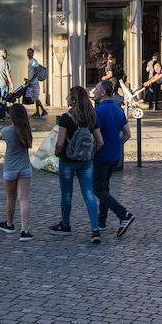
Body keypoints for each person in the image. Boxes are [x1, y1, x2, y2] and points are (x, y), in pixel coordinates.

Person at [49, 85, 104, 243]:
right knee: (88, 193)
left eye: (68, 96)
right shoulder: (90, 117)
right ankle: (95, 229)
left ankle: (65, 224)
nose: (67, 99)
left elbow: (60, 143)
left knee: (66, 193)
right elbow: (100, 141)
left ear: (73, 100)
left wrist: (57, 152)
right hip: (86, 161)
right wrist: (91, 153)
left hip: (67, 160)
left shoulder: (66, 118)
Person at [92, 80, 135, 236]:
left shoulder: (98, 111)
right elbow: (127, 134)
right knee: (105, 187)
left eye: (96, 89)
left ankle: (123, 214)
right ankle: (102, 220)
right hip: (114, 156)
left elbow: (96, 139)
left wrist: (93, 153)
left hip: (102, 156)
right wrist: (117, 145)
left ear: (103, 92)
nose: (94, 91)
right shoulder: (118, 110)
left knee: (97, 189)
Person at [0, 104, 34, 241]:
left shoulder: (6, 130)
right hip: (25, 167)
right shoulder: (27, 130)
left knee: (10, 198)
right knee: (24, 198)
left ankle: (10, 224)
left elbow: (2, 136)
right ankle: (25, 231)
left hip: (10, 168)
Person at [0, 48, 14, 122]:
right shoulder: (5, 62)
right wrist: (11, 83)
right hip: (3, 83)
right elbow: (8, 74)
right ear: (4, 55)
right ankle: (2, 116)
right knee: (4, 100)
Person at [25, 47, 47, 118]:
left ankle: (43, 110)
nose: (29, 54)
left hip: (34, 82)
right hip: (32, 82)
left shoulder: (34, 62)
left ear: (33, 54)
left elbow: (36, 72)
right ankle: (37, 111)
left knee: (36, 98)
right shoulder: (30, 61)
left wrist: (30, 80)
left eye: (30, 53)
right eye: (28, 53)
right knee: (34, 98)